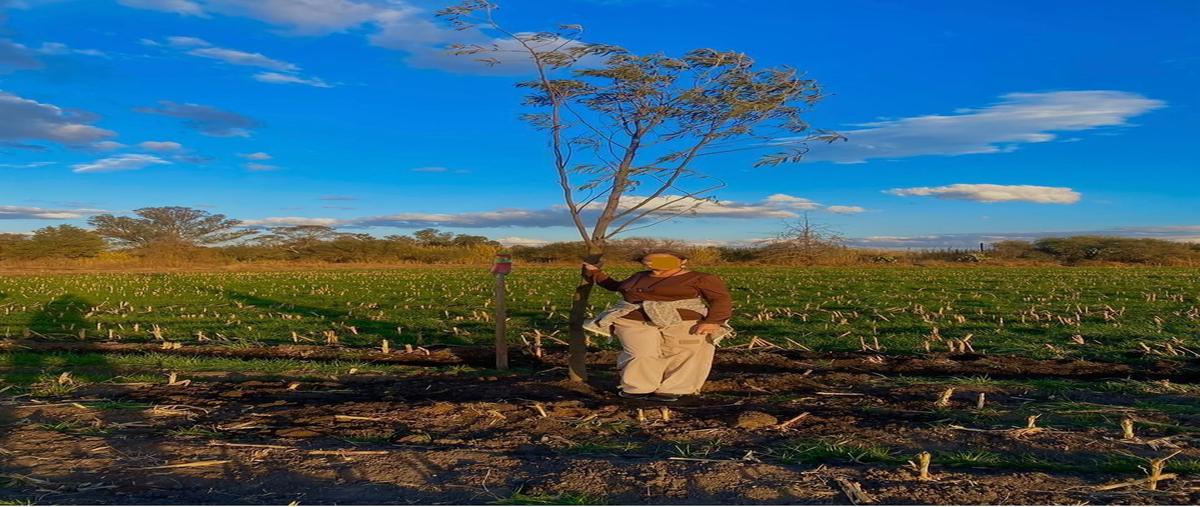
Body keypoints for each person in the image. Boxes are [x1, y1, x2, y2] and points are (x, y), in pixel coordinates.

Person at [582, 249, 734, 402]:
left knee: (684, 353)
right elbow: (617, 286)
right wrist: (595, 273)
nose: (655, 263)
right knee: (640, 353)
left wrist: (713, 321)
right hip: (634, 320)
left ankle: (675, 389)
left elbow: (720, 299)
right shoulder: (639, 276)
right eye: (649, 260)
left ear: (683, 261)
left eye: (665, 260)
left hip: (683, 321)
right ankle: (637, 388)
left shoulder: (701, 278)